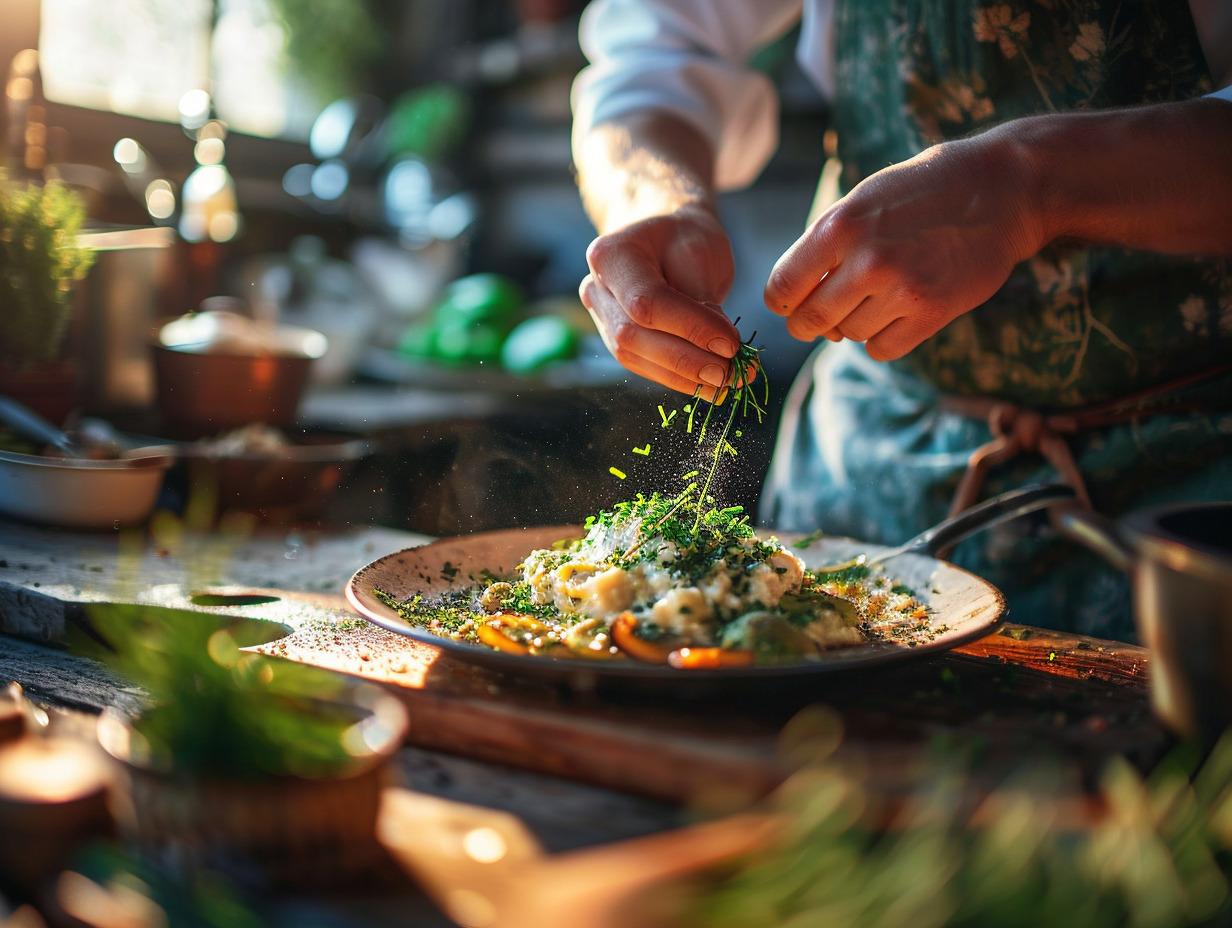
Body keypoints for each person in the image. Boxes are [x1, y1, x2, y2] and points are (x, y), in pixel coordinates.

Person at [569, 0, 1232, 641]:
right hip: (877, 460)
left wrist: (1030, 181)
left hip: (1195, 494)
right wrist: (653, 201)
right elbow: (652, 52)